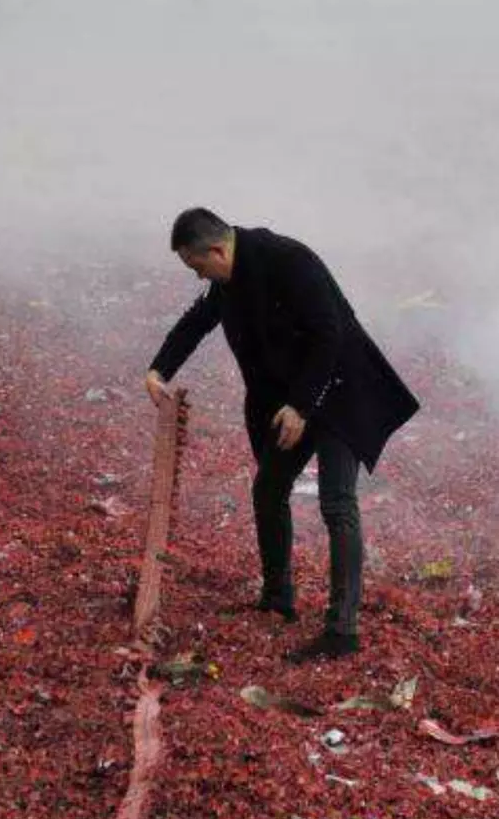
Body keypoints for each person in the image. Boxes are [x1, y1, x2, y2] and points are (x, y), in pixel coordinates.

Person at [146, 207, 419, 661]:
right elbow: (197, 321)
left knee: (337, 501)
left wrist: (301, 406)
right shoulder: (226, 281)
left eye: (198, 267)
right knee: (268, 489)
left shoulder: (290, 260)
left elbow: (329, 334)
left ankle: (342, 630)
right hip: (286, 398)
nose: (200, 278)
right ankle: (278, 597)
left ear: (217, 249)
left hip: (337, 389)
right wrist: (159, 368)